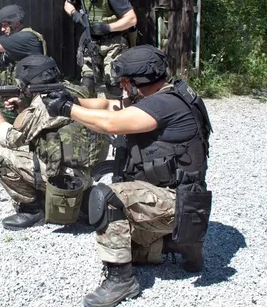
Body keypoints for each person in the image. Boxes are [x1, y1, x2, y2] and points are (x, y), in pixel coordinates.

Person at [42, 45, 213, 307]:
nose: (121, 86)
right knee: (93, 210)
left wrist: (67, 109)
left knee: (106, 197)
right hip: (182, 199)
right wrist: (69, 99)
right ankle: (175, 245)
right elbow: (106, 105)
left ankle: (121, 280)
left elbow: (110, 123)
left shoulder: (163, 105)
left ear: (139, 81)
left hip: (176, 202)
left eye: (125, 81)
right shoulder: (168, 93)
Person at [0, 54, 108, 231]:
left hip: (65, 180)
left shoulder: (44, 102)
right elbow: (47, 125)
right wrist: (23, 109)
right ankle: (83, 199)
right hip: (86, 174)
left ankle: (32, 210)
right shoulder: (75, 91)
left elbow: (11, 140)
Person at [64, 0, 138, 97]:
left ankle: (119, 113)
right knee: (88, 81)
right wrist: (74, 13)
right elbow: (68, 3)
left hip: (113, 42)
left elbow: (132, 19)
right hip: (91, 42)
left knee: (113, 82)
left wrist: (108, 28)